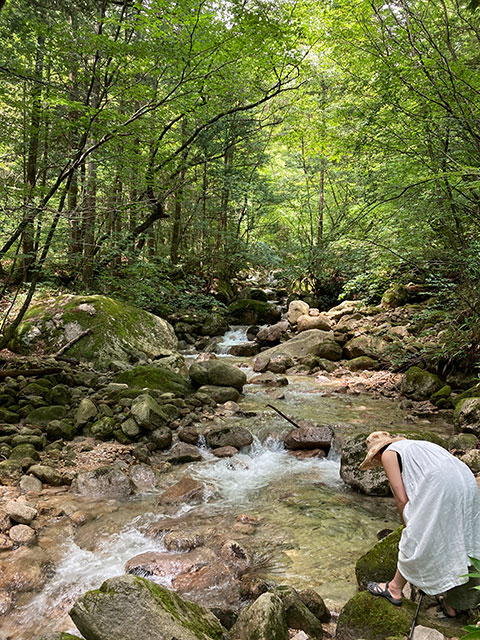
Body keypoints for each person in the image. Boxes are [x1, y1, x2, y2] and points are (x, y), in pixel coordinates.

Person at [359, 431, 480, 616]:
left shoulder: (389, 453)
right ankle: (454, 604)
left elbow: (401, 499)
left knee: (418, 534)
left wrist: (407, 524)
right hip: (466, 481)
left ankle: (394, 588)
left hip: (441, 485)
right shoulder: (418, 446)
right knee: (461, 538)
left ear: (376, 454)